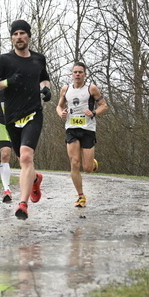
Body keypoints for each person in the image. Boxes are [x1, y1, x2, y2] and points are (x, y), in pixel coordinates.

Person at [0, 20, 52, 220]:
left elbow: (43, 77)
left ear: (29, 36)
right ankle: (34, 179)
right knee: (23, 161)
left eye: (23, 33)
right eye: (15, 34)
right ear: (12, 37)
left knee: (25, 157)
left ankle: (23, 204)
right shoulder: (4, 61)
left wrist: (45, 88)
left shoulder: (39, 59)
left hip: (33, 114)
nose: (19, 37)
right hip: (11, 118)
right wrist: (8, 82)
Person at [57, 62, 107, 208]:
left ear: (85, 74)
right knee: (74, 163)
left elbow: (104, 105)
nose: (77, 74)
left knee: (87, 168)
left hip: (88, 129)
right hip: (71, 128)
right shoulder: (65, 89)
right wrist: (62, 113)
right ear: (72, 74)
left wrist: (94, 113)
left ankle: (92, 163)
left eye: (80, 72)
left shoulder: (91, 88)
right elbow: (59, 106)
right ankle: (81, 196)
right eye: (75, 72)